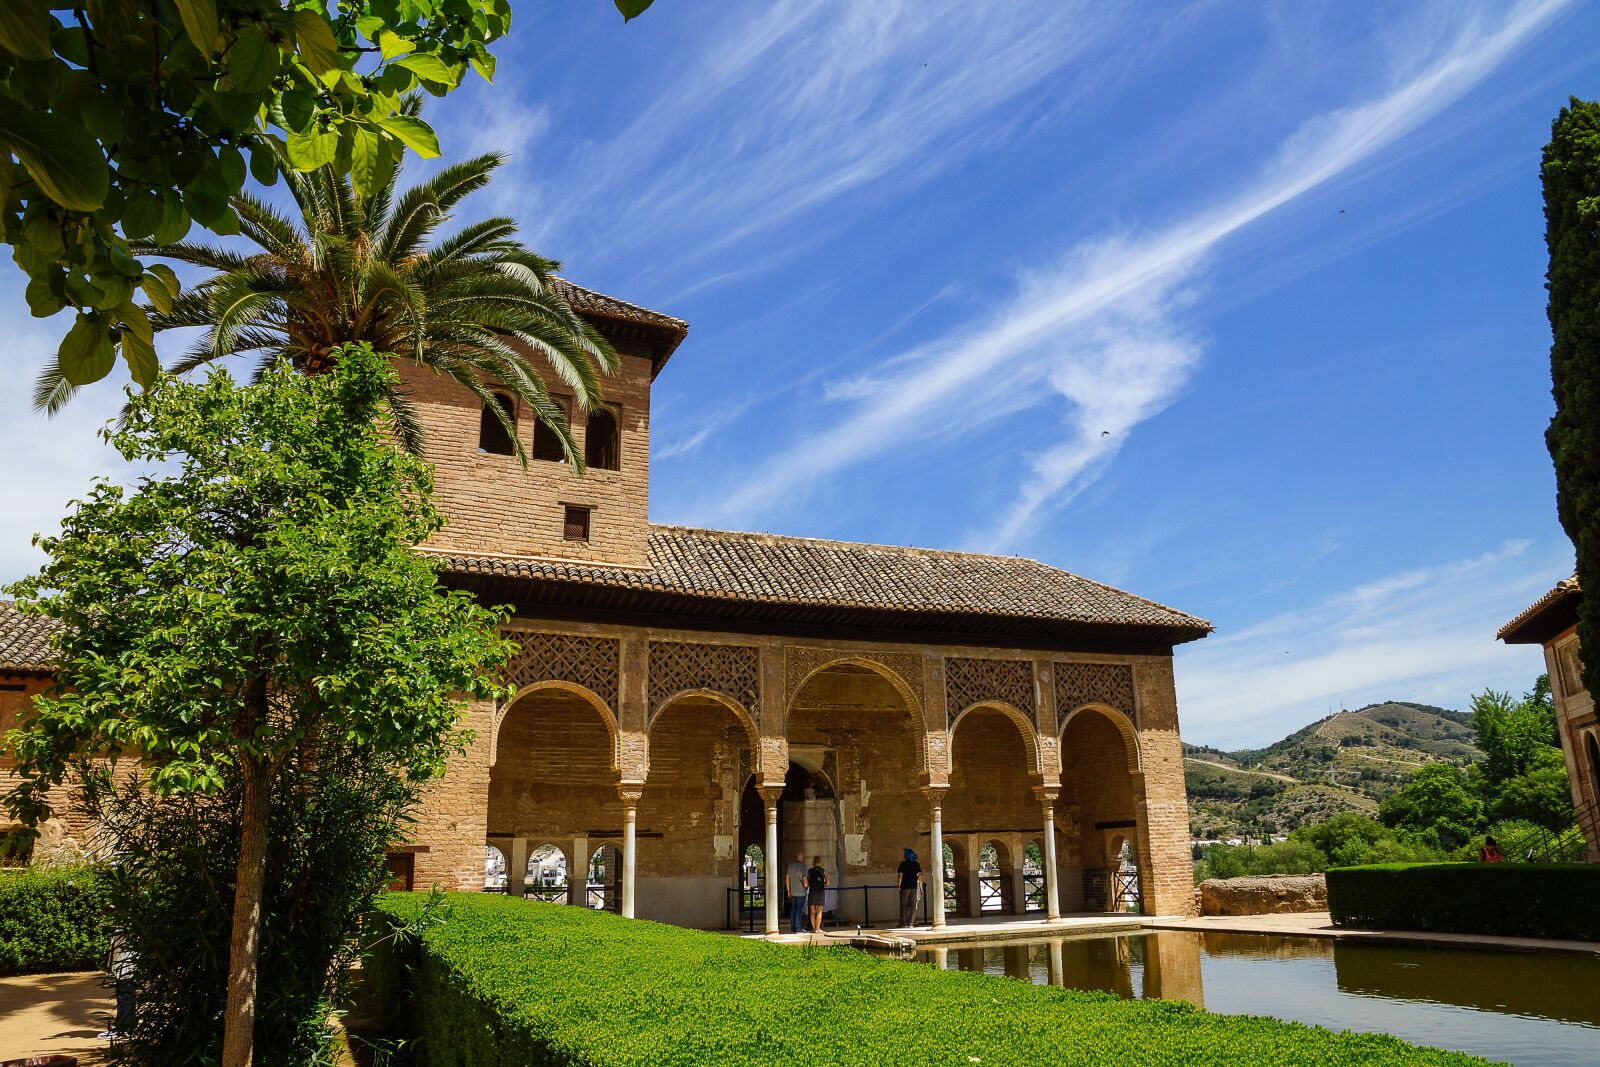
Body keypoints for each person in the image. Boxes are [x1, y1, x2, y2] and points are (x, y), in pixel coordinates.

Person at [896, 847, 923, 927]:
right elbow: (920, 875)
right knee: (913, 905)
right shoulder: (916, 864)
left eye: (905, 854)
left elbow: (900, 876)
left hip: (904, 887)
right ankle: (911, 923)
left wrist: (899, 886)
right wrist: (917, 882)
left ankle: (903, 923)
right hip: (914, 887)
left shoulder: (902, 864)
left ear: (906, 856)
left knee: (903, 905)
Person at [785, 851, 809, 934]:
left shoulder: (790, 867)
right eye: (803, 857)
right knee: (799, 911)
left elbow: (787, 880)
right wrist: (806, 886)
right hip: (801, 892)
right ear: (800, 858)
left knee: (793, 910)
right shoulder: (803, 867)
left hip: (793, 892)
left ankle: (793, 928)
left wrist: (789, 891)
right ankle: (798, 928)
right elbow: (805, 881)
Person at [806, 854, 828, 934]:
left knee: (812, 911)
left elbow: (807, 882)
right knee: (819, 911)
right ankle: (818, 928)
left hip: (812, 892)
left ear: (813, 862)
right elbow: (827, 882)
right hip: (820, 892)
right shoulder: (823, 871)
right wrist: (822, 883)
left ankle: (814, 929)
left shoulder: (810, 871)